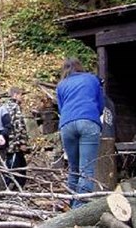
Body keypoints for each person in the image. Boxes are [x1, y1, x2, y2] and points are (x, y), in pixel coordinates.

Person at [56, 58, 104, 208]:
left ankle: (71, 206)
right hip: (88, 122)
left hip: (67, 125)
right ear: (80, 67)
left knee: (74, 168)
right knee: (87, 169)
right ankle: (79, 209)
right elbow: (101, 105)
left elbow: (61, 108)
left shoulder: (61, 85)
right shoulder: (92, 79)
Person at [5, 87, 30, 189]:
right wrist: (22, 142)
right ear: (15, 95)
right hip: (14, 144)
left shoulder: (5, 106)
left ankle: (17, 187)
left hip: (8, 142)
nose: (22, 98)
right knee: (14, 167)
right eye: (20, 95)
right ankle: (9, 187)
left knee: (21, 166)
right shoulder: (15, 107)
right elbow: (19, 126)